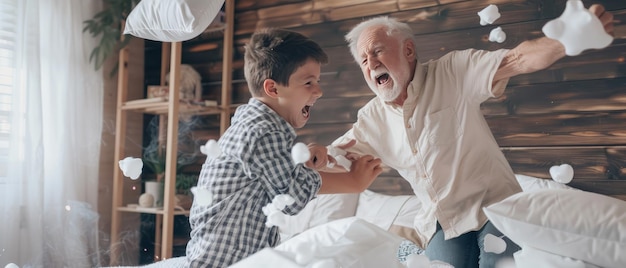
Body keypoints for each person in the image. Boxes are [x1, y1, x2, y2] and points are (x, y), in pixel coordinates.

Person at [326, 4, 614, 268]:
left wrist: (566, 38)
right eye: (363, 60)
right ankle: (412, 249)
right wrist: (315, 157)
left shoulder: (452, 71)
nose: (370, 63)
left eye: (376, 51)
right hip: (441, 224)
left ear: (408, 51)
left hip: (495, 207)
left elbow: (515, 60)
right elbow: (334, 158)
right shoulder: (371, 118)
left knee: (496, 263)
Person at [184, 28, 383, 267]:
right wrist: (353, 182)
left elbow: (275, 182)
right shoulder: (263, 131)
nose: (318, 91)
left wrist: (307, 162)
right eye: (308, 82)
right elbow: (291, 198)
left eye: (317, 81)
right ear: (273, 89)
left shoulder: (253, 124)